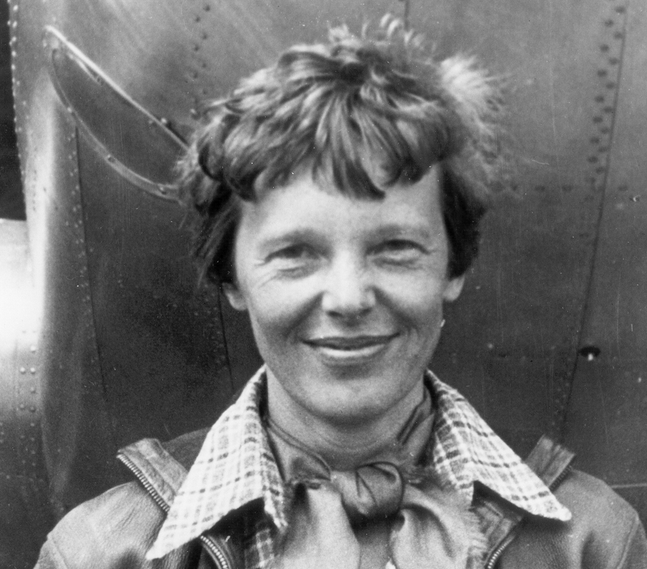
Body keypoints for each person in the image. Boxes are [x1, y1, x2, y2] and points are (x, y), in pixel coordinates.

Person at [34, 17, 646, 569]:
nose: (349, 299)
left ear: (453, 266)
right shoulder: (98, 554)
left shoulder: (594, 545)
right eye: (295, 253)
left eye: (395, 247)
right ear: (232, 276)